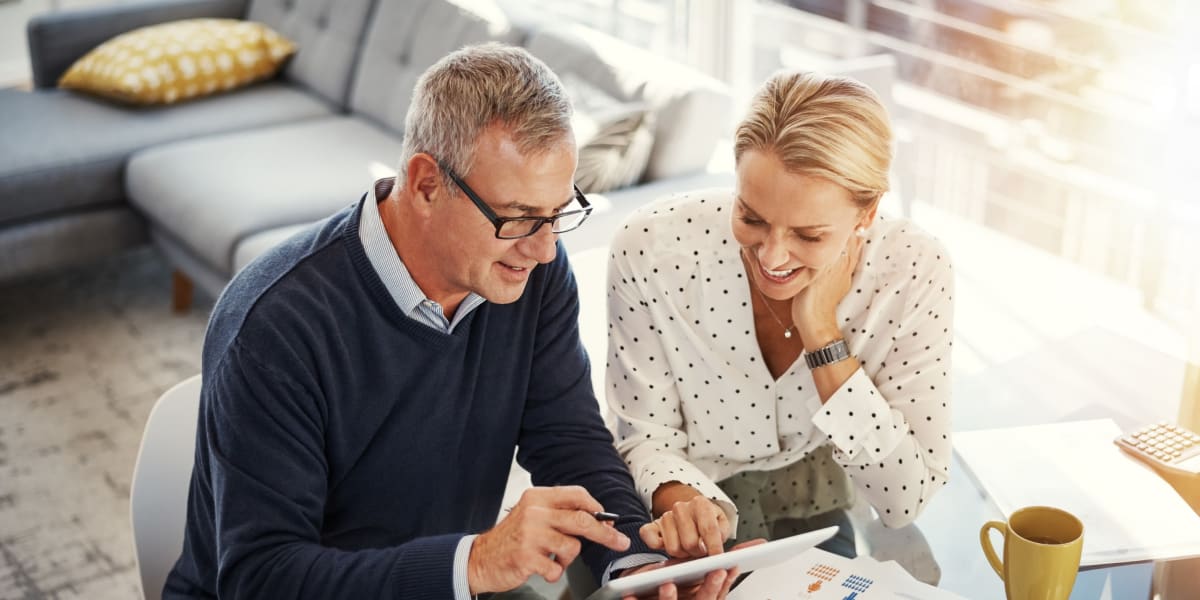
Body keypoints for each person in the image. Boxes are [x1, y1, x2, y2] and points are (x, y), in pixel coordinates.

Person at [163, 43, 738, 600]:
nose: (542, 250)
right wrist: (477, 562)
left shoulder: (530, 270)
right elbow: (260, 577)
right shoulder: (275, 326)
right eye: (516, 218)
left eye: (557, 214)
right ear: (426, 184)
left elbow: (567, 439)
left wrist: (638, 565)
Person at [606, 70, 955, 560]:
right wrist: (685, 506)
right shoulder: (651, 249)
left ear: (868, 213)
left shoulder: (913, 271)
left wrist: (822, 335)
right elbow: (644, 436)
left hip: (814, 504)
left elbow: (904, 498)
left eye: (808, 236)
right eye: (751, 217)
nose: (771, 257)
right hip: (674, 508)